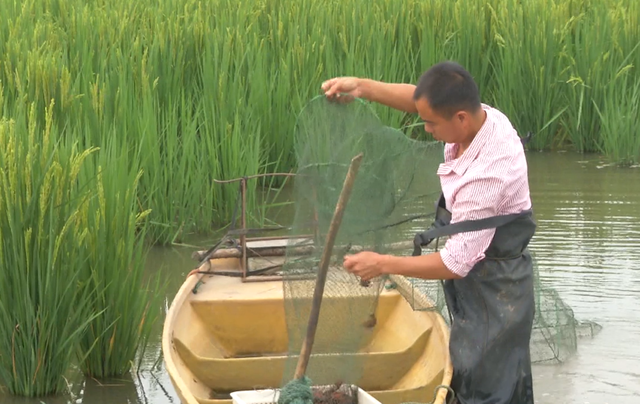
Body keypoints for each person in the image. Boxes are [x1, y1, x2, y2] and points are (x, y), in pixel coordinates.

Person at [321, 61, 537, 404]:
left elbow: (454, 264)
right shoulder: (479, 116)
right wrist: (363, 87)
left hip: (498, 290)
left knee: (488, 388)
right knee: (481, 374)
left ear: (460, 119)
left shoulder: (487, 175)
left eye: (431, 123)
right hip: (483, 275)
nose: (425, 129)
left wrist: (382, 263)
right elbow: (421, 101)